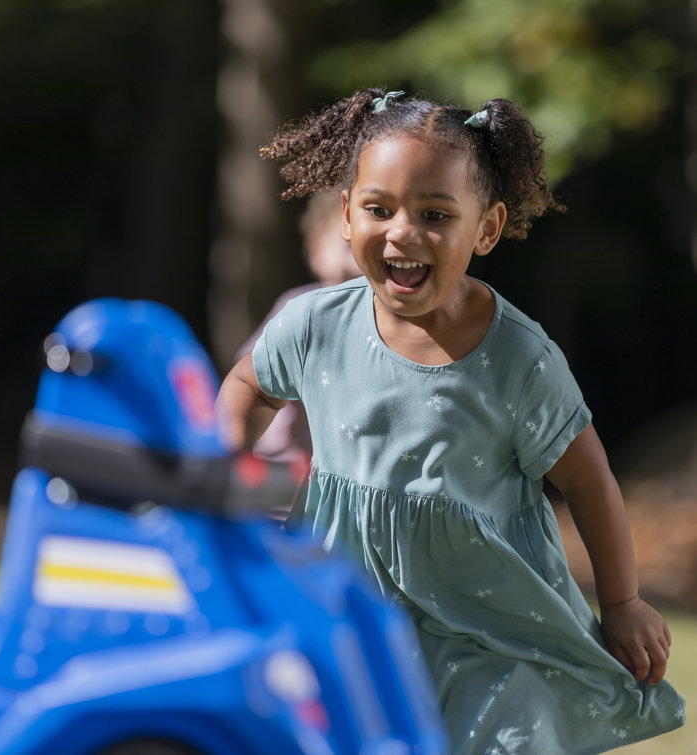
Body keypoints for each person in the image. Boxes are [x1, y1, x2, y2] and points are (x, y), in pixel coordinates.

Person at [216, 88, 685, 753]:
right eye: (378, 209)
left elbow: (586, 479)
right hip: (350, 608)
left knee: (508, 734)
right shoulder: (313, 325)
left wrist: (621, 603)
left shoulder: (519, 357)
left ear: (486, 228)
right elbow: (246, 385)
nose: (403, 232)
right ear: (346, 215)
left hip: (489, 621)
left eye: (434, 214)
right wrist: (223, 480)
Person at [235, 190, 360, 519]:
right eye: (347, 247)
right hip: (280, 474)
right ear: (316, 251)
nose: (356, 264)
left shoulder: (374, 322)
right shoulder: (301, 311)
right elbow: (247, 377)